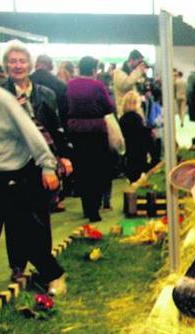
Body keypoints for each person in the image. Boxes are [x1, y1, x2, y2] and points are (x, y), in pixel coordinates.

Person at [0, 87, 66, 295]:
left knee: (26, 231)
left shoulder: (3, 100)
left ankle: (54, 275)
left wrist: (47, 165)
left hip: (15, 170)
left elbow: (31, 132)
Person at [2, 41, 73, 220]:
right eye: (12, 61)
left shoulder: (46, 94)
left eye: (22, 61)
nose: (18, 66)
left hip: (38, 164)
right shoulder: (1, 94)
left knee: (36, 217)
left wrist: (64, 156)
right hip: (7, 164)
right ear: (5, 65)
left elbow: (56, 127)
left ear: (30, 65)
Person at [66, 55, 116, 222]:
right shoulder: (98, 85)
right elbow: (109, 107)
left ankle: (86, 207)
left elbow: (64, 106)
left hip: (75, 132)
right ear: (94, 70)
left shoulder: (70, 85)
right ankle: (94, 210)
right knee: (97, 170)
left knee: (82, 170)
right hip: (96, 131)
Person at [118, 91, 150, 183]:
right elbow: (143, 138)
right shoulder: (138, 119)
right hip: (139, 153)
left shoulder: (122, 119)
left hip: (128, 153)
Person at [31, 54, 69, 125]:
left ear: (36, 65)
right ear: (51, 67)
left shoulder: (26, 81)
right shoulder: (61, 84)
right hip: (53, 127)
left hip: (31, 127)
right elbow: (64, 112)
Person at [113, 49, 146, 116]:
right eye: (139, 62)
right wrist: (138, 71)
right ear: (131, 60)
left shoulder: (133, 73)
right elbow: (125, 85)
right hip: (124, 111)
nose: (140, 65)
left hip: (135, 110)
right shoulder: (119, 72)